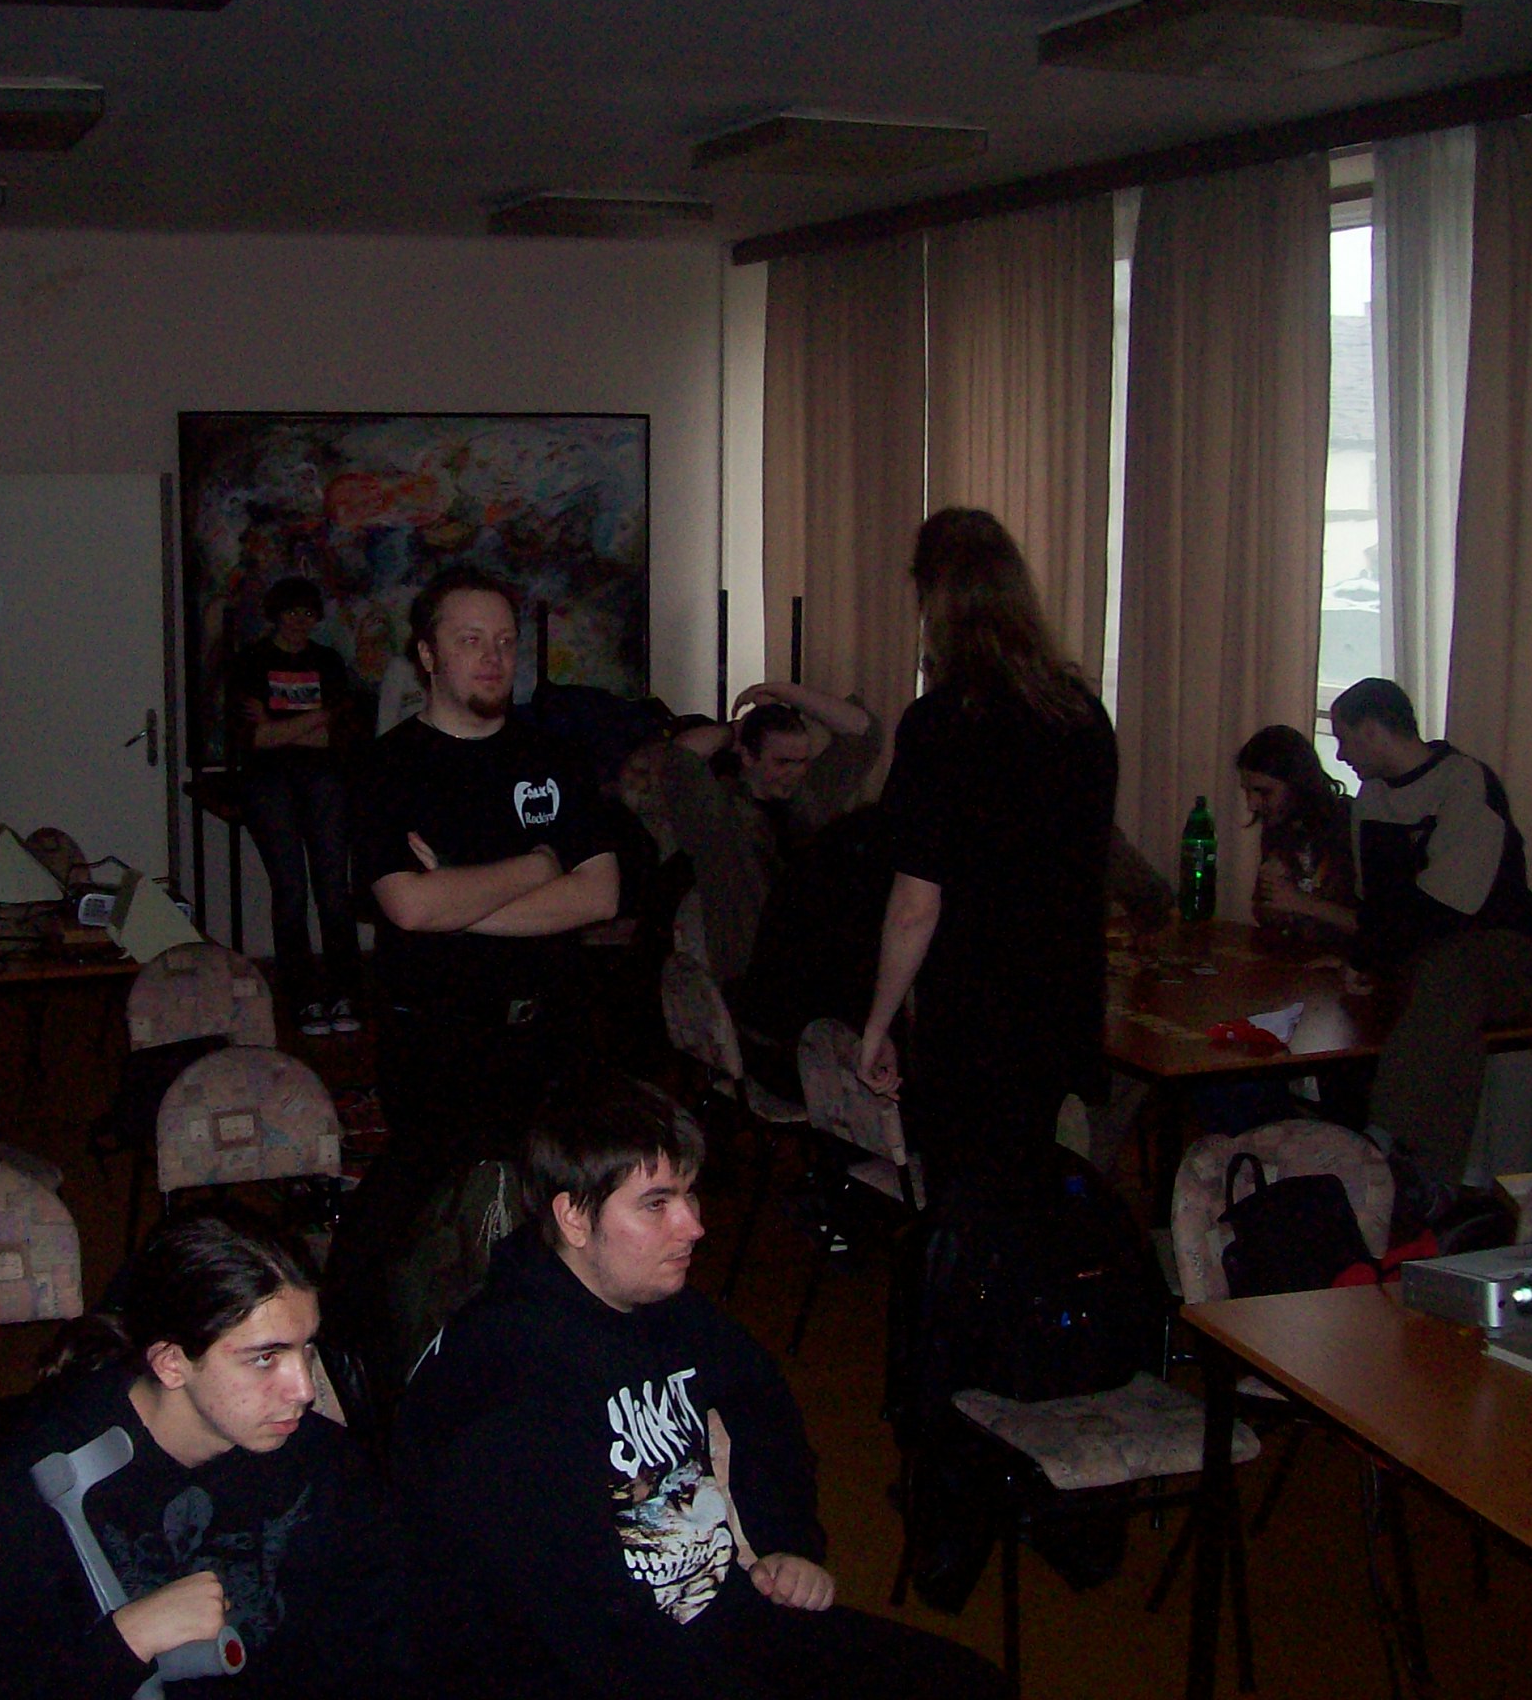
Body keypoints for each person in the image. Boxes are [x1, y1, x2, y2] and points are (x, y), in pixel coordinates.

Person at [391, 1077, 1008, 1700]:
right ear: (573, 1217)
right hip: (594, 1668)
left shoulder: (661, 1305)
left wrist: (785, 1543)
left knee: (969, 1684)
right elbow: (578, 1624)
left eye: (689, 1194)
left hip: (719, 1618)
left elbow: (765, 1414)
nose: (694, 1226)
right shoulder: (502, 1378)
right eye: (656, 1204)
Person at [0, 1211, 409, 1699]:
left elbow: (382, 1655)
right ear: (172, 1363)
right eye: (266, 1357)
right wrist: (128, 1639)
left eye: (307, 1350)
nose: (304, 1389)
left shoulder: (330, 1466)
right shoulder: (49, 1479)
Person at [855, 508, 1118, 1196]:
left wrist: (878, 1023)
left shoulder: (940, 724)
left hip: (976, 1011)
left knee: (969, 1200)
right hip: (1063, 997)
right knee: (1039, 1189)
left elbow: (915, 905)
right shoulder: (1083, 715)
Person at [353, 562, 620, 1153]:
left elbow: (600, 894)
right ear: (427, 655)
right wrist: (539, 868)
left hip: (553, 1039)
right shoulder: (385, 768)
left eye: (504, 641)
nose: (493, 658)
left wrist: (453, 895)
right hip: (435, 1048)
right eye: (470, 641)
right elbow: (409, 907)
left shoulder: (556, 757)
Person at [1330, 677, 1532, 1189]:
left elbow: (1446, 907)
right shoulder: (1371, 798)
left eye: (1344, 739)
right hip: (1426, 957)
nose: (1341, 755)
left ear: (1372, 731)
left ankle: (1389, 1144)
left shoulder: (1465, 782)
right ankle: (1420, 1174)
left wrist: (1370, 954)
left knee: (1447, 981)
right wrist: (1362, 958)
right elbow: (1374, 904)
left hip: (1506, 951)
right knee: (1424, 1002)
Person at [649, 682, 880, 987]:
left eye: (802, 761)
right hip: (752, 974)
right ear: (748, 757)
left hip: (822, 965)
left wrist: (781, 690)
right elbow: (680, 755)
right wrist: (734, 731)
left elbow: (864, 732)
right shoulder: (720, 816)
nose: (794, 772)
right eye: (782, 762)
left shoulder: (810, 798)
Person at [229, 576, 361, 1034]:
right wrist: (317, 718)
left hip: (325, 779)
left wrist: (281, 725)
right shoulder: (252, 662)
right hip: (268, 783)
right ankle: (302, 997)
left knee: (333, 888)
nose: (299, 621)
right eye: (291, 611)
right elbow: (254, 740)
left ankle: (345, 994)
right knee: (291, 889)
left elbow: (337, 738)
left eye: (307, 612)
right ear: (275, 614)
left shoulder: (328, 662)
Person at [1235, 722, 1358, 953]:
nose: (1252, 804)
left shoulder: (1349, 825)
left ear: (1297, 783)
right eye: (1247, 791)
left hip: (1346, 961)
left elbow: (1377, 926)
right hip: (1293, 956)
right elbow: (1267, 914)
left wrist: (1300, 902)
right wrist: (1271, 903)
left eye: (1264, 792)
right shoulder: (1280, 826)